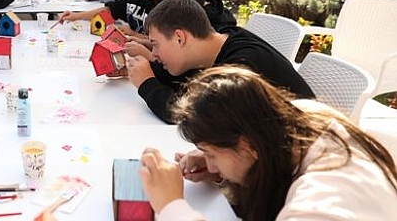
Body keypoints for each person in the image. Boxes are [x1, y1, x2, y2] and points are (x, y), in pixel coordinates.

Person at [140, 66, 397, 220]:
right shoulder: (301, 115)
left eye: (212, 154)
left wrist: (171, 205)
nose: (210, 164)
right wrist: (225, 170)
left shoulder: (320, 203)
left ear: (247, 145)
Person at [126, 0, 314, 124]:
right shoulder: (222, 42)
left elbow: (187, 113)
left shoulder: (239, 68)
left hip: (304, 162)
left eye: (155, 44)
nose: (155, 53)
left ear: (179, 38)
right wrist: (148, 69)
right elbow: (184, 84)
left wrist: (147, 83)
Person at [123, 0, 236, 60]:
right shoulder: (206, 8)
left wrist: (149, 56)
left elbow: (185, 67)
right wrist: (147, 43)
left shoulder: (203, 29)